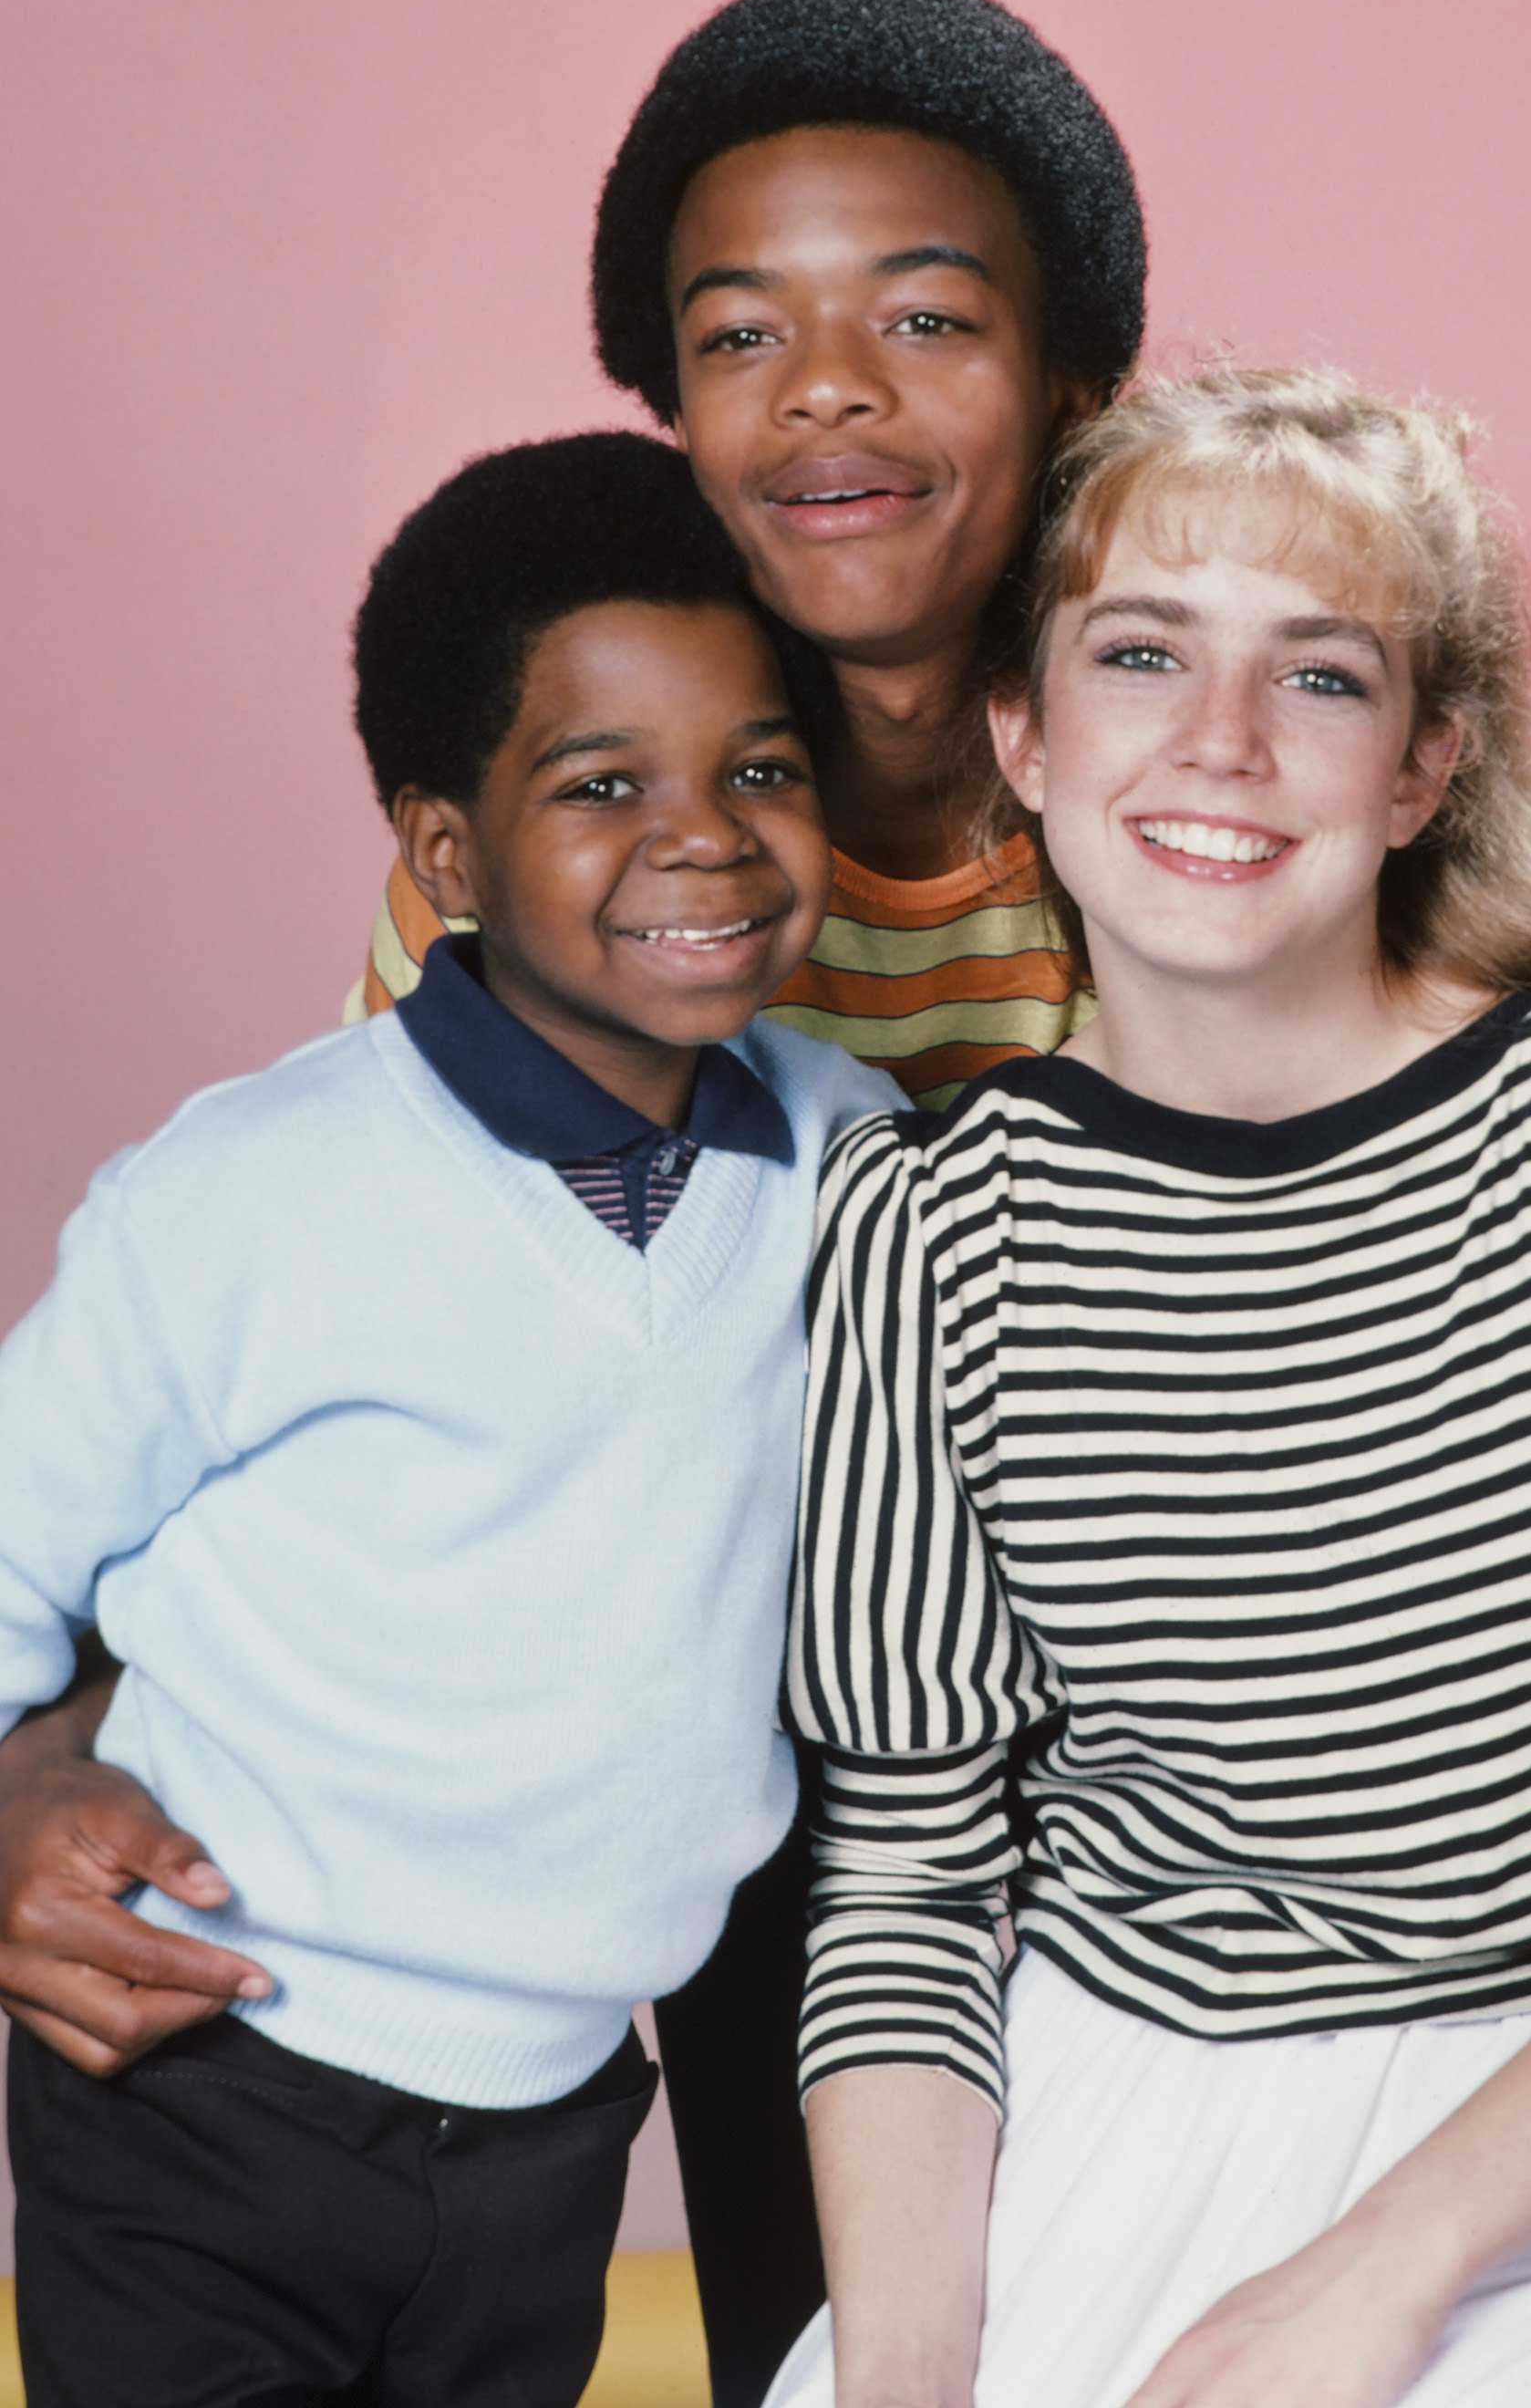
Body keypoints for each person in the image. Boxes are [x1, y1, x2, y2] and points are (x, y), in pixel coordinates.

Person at [0, 0, 1531, 2406]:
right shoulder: (571, 863)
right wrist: (26, 1762)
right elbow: (348, 1406)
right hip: (764, 1813)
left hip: (1391, 1907)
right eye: (739, 334)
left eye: (920, 317)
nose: (825, 392)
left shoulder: (1417, 954)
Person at [769, 368, 1531, 2408]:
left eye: (1320, 678)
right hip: (1108, 2095)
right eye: (1142, 655)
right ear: (1023, 736)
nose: (1220, 742)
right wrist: (899, 2378)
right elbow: (913, 1878)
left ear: (1422, 767)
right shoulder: (925, 1230)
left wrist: (1378, 2276)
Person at [0, 431, 896, 2407]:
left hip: (561, 2122)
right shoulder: (244, 1190)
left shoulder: (858, 1160)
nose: (709, 838)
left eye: (762, 768)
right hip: (198, 2076)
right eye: (603, 787)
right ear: (445, 854)